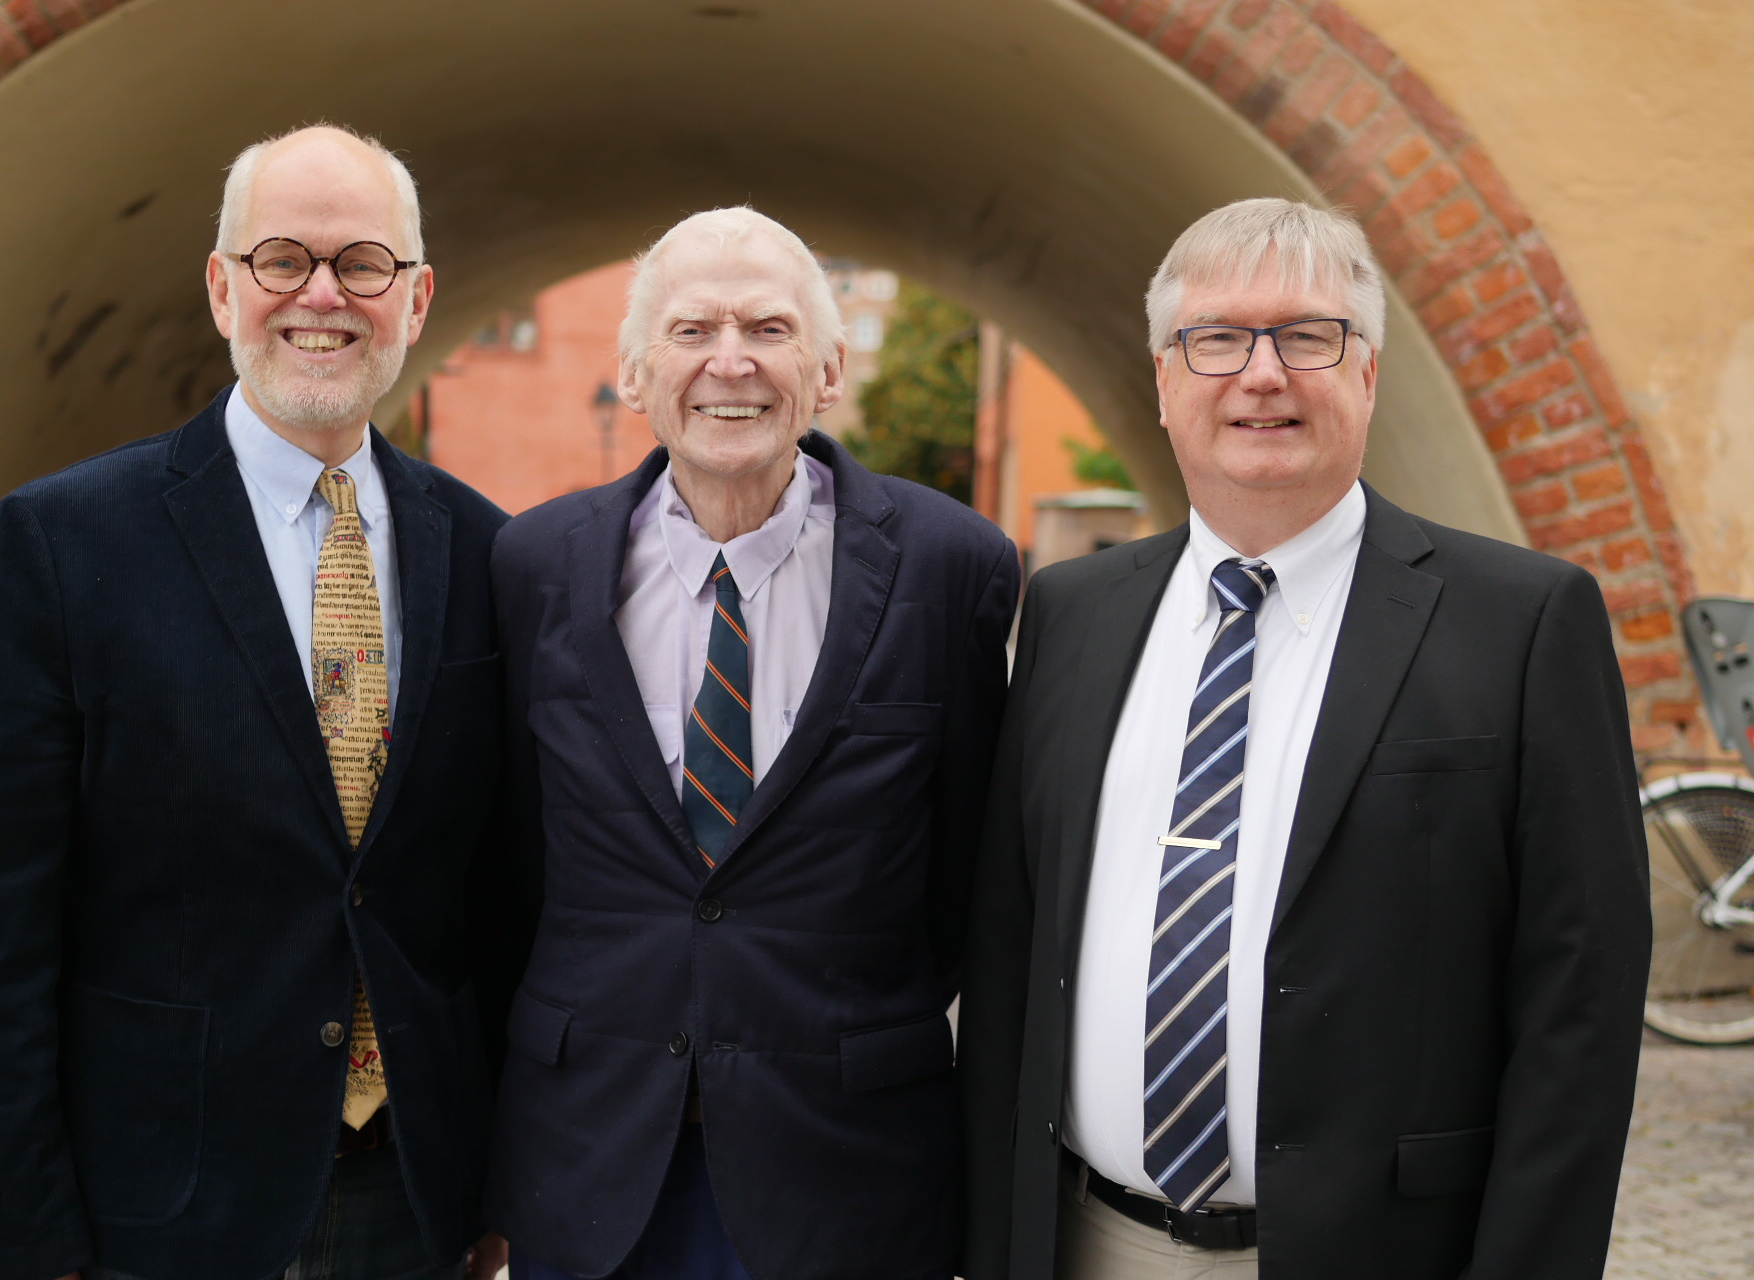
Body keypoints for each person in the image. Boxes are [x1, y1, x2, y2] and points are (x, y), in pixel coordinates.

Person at [959, 198, 1650, 1280]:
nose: (1263, 373)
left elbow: (1582, 1000)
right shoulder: (1070, 613)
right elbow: (1011, 948)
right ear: (1165, 376)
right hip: (1091, 1240)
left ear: (1368, 371)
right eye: (1219, 338)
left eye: (1308, 335)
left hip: (1379, 1249)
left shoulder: (1521, 621)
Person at [0, 125, 514, 1280]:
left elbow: (498, 903)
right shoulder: (63, 543)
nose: (323, 296)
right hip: (156, 1206)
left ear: (419, 297)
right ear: (221, 287)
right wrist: (24, 1245)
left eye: (364, 264)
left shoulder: (490, 554)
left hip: (413, 1198)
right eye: (283, 258)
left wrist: (501, 1180)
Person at [483, 207, 1020, 1280]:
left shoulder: (952, 565)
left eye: (769, 328)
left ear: (824, 372)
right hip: (589, 1157)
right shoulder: (533, 563)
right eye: (692, 330)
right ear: (636, 376)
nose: (731, 360)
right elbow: (509, 861)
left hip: (847, 1160)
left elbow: (968, 876)